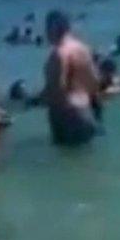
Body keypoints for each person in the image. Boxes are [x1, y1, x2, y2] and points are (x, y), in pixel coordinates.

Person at [42, 10, 103, 146]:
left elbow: (58, 89)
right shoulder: (83, 49)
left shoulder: (59, 53)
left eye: (47, 28)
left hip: (68, 117)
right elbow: (94, 82)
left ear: (55, 27)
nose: (45, 33)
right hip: (86, 113)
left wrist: (40, 100)